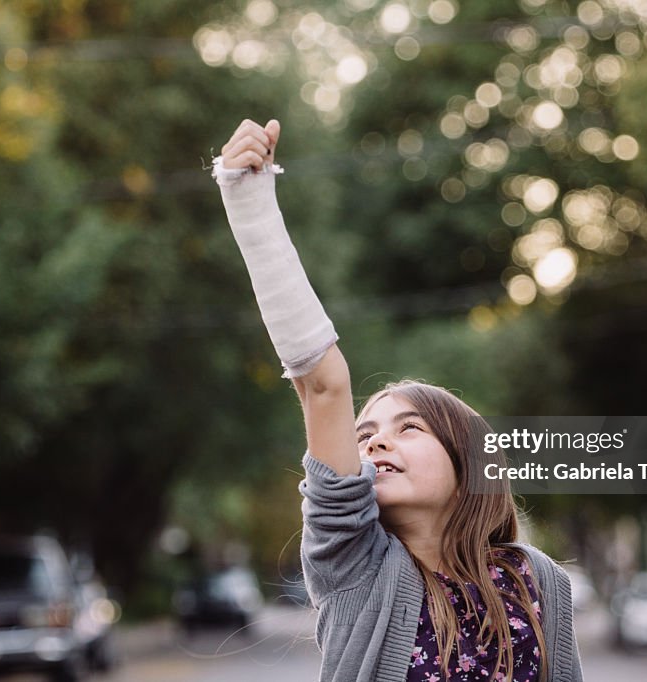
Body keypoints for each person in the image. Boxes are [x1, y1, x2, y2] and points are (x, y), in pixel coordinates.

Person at [213, 118, 583, 682]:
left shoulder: (539, 582)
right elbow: (322, 383)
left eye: (410, 428)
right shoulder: (355, 564)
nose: (377, 439)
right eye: (363, 435)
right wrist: (249, 200)